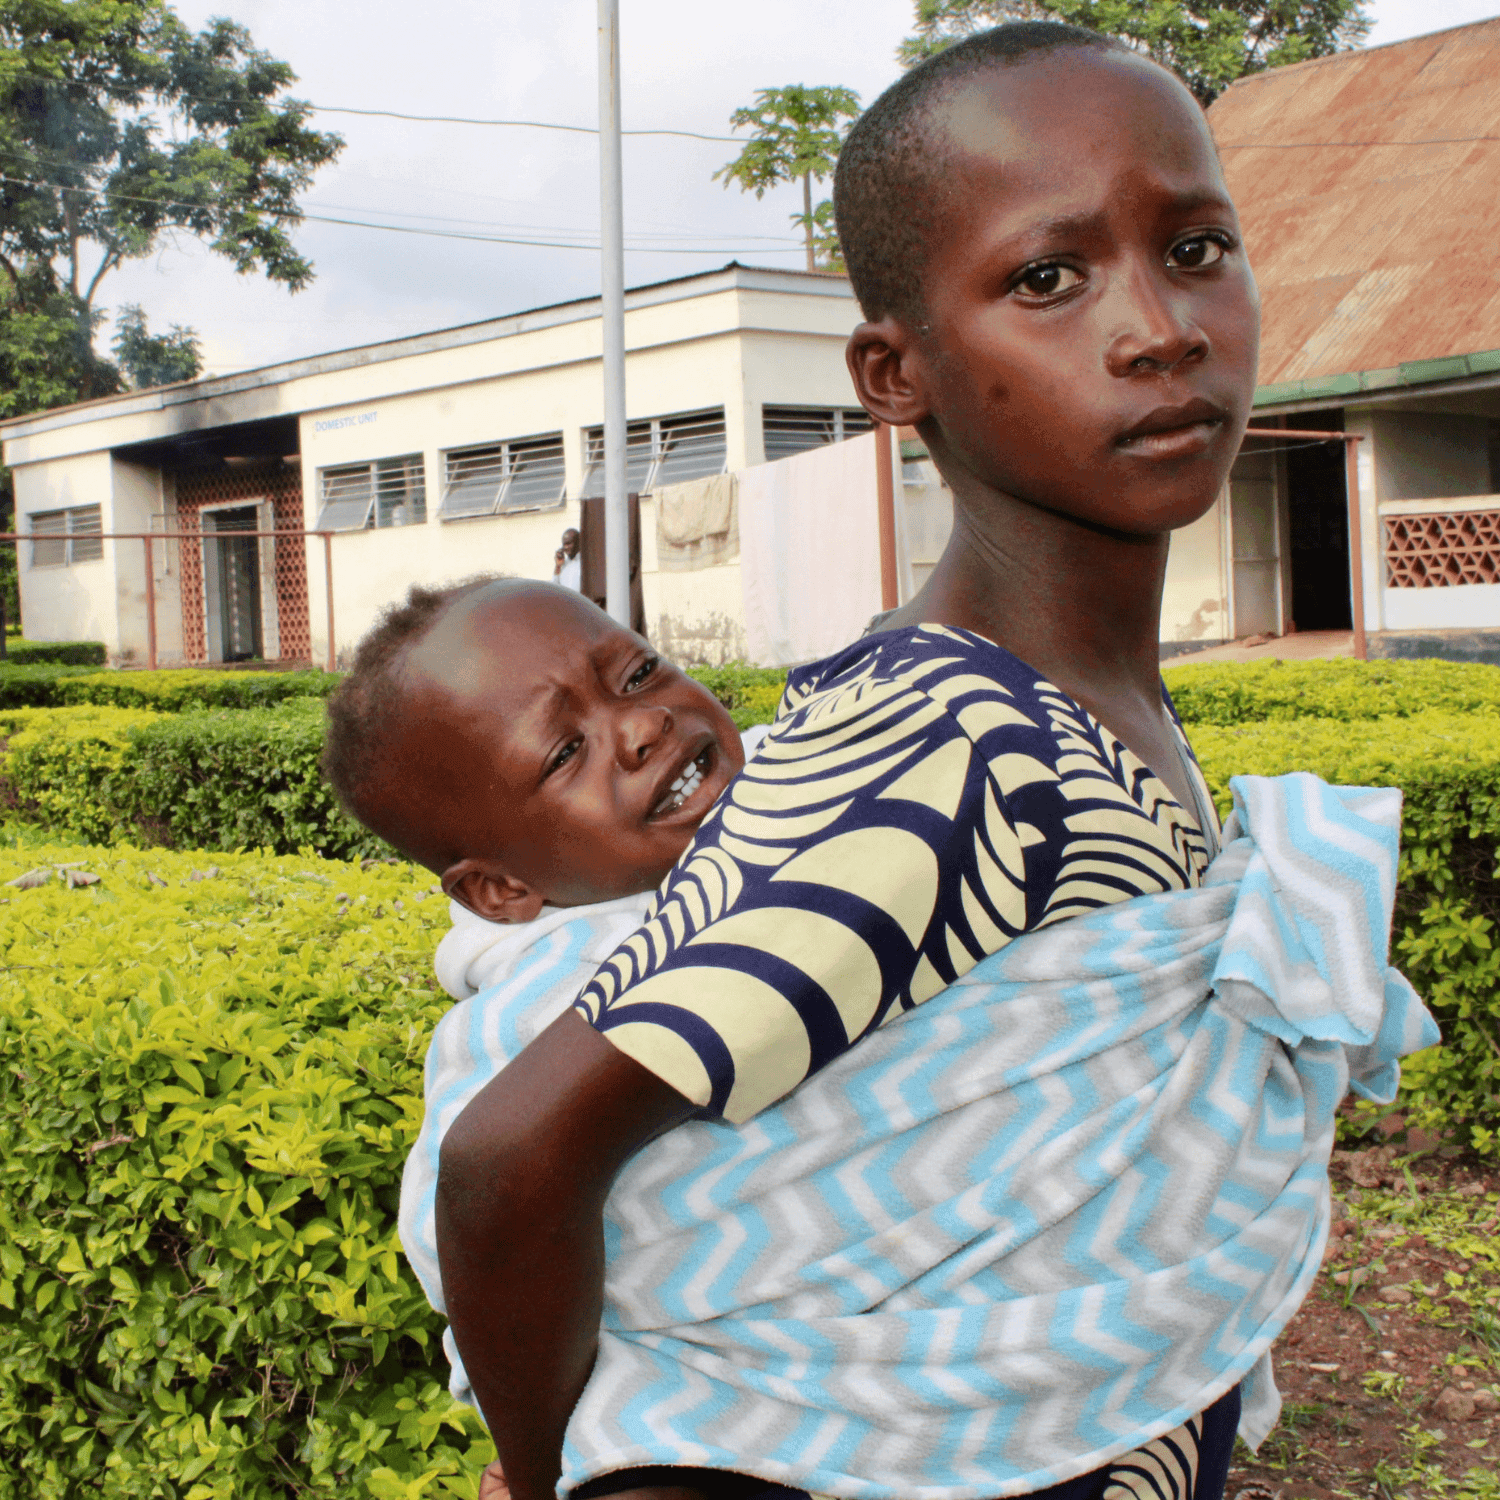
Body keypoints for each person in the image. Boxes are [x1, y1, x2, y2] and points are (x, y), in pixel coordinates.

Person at [433, 23, 1431, 1500]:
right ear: (896, 373)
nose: (1160, 327)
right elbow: (513, 1156)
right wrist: (550, 1472)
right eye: (1049, 278)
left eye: (1200, 245)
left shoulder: (1078, 703)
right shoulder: (950, 749)